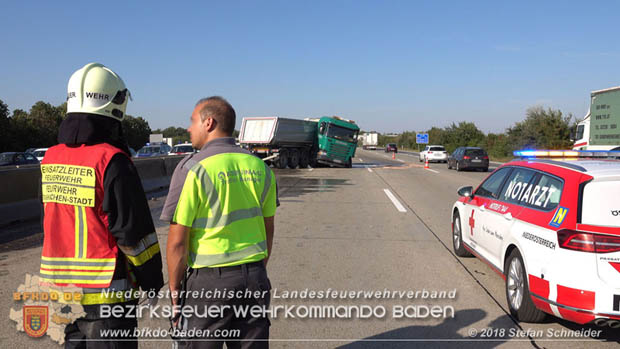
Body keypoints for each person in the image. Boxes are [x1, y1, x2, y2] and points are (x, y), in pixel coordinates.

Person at [39, 62, 164, 348]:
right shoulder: (112, 160)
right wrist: (152, 279)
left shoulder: (49, 159)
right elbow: (133, 233)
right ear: (115, 103)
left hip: (62, 293)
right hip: (107, 297)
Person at [162, 96, 277, 348]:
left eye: (193, 121)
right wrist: (255, 270)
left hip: (209, 284)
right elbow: (268, 231)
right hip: (254, 277)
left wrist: (175, 295)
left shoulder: (192, 168)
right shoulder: (260, 167)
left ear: (209, 123)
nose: (188, 128)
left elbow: (177, 244)